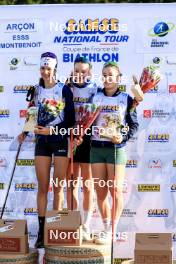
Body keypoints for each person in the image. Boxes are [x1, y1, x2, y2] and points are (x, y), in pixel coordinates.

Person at [18, 52, 75, 248]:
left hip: (59, 139)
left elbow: (71, 121)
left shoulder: (64, 90)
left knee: (58, 186)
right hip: (42, 140)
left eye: (48, 68)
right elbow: (32, 115)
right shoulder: (35, 90)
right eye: (42, 68)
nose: (45, 72)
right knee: (43, 187)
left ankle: (55, 230)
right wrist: (25, 133)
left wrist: (53, 129)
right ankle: (42, 233)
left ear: (55, 69)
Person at [90, 61, 139, 244]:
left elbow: (134, 125)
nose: (107, 78)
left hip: (116, 150)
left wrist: (123, 138)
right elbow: (87, 123)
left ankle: (113, 230)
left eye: (111, 75)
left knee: (116, 191)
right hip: (96, 149)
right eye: (104, 74)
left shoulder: (126, 98)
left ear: (118, 78)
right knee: (100, 193)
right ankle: (105, 227)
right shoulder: (95, 97)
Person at [66, 57, 98, 241]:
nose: (80, 74)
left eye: (83, 71)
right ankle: (73, 222)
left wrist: (82, 134)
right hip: (69, 137)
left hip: (86, 139)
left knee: (87, 185)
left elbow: (95, 113)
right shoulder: (67, 87)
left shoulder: (95, 89)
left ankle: (86, 225)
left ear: (89, 73)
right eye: (77, 70)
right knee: (72, 184)